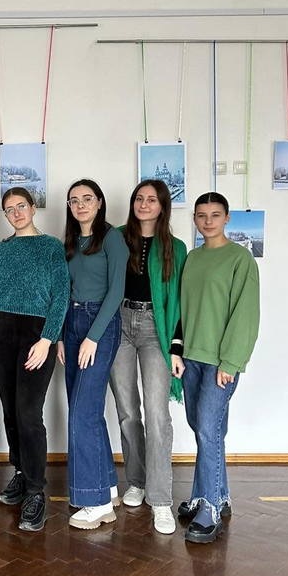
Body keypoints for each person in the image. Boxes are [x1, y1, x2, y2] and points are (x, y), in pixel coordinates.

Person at [173, 192, 259, 543]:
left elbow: (245, 314)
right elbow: (182, 309)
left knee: (209, 430)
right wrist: (177, 351)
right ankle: (213, 495)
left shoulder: (240, 259)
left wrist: (231, 362)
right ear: (194, 219)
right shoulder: (192, 259)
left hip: (219, 362)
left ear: (227, 218)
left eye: (215, 215)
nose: (208, 221)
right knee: (203, 429)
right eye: (201, 215)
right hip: (191, 358)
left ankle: (209, 508)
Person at [0, 187, 69, 532]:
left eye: (21, 206)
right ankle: (20, 472)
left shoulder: (51, 247)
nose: (16, 213)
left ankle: (36, 491)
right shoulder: (2, 249)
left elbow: (61, 295)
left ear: (33, 208)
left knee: (28, 413)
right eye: (9, 209)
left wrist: (48, 339)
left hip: (37, 333)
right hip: (2, 330)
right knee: (10, 410)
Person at [108, 181, 187, 534]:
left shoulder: (176, 247)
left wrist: (176, 347)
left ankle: (160, 499)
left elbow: (181, 301)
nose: (144, 204)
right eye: (139, 198)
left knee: (157, 415)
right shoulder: (116, 237)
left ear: (162, 206)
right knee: (127, 411)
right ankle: (136, 482)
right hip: (120, 324)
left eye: (151, 199)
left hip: (157, 327)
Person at [59, 179, 127, 530]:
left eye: (87, 198)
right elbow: (65, 289)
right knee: (86, 410)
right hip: (72, 322)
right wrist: (61, 336)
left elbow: (116, 291)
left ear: (99, 202)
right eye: (74, 200)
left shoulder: (112, 238)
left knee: (82, 415)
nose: (81, 205)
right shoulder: (71, 241)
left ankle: (95, 503)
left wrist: (93, 337)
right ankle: (108, 487)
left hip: (99, 323)